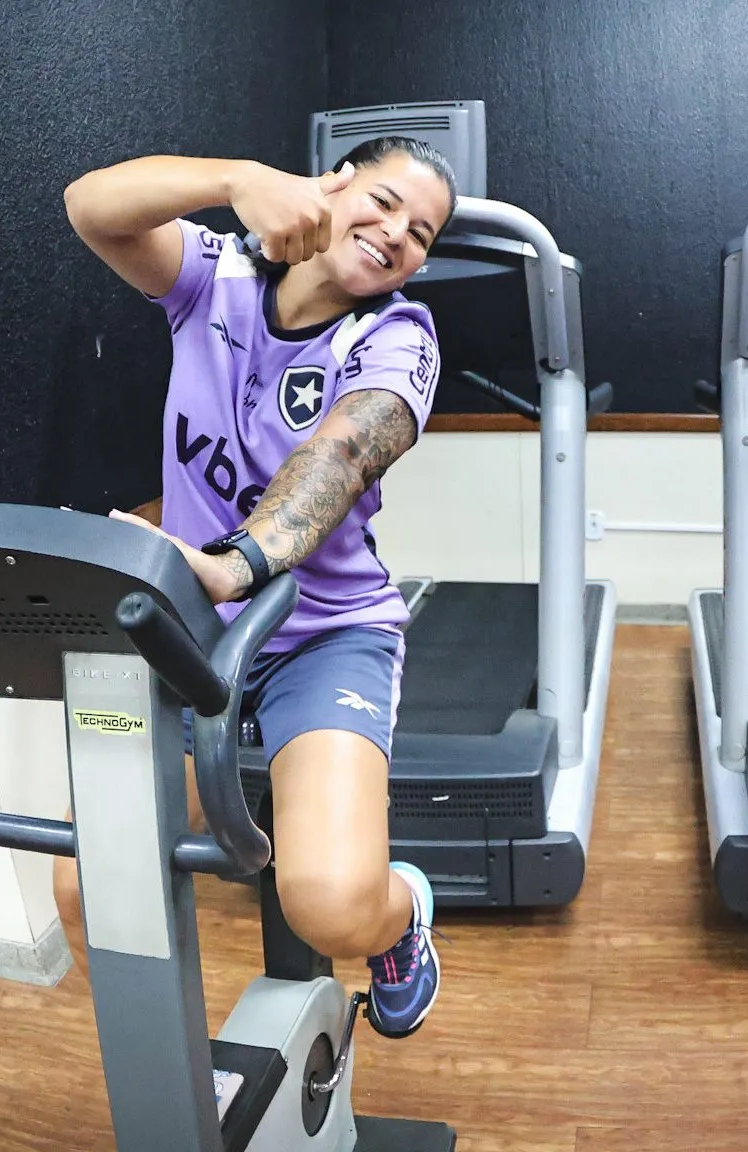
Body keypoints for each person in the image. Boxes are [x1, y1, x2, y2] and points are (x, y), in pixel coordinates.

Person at [55, 137, 456, 1040]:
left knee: (331, 903)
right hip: (185, 629)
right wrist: (238, 181)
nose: (397, 235)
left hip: (323, 635)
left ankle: (401, 923)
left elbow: (347, 450)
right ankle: (174, 1079)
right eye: (384, 202)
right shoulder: (213, 275)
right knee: (91, 884)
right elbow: (90, 206)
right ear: (331, 185)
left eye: (421, 232)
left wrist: (237, 561)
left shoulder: (397, 335)